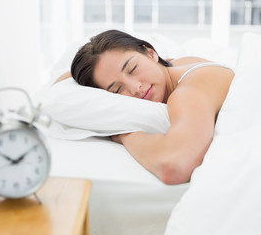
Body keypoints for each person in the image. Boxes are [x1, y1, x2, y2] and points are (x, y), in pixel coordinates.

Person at [55, 29, 235, 185]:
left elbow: (174, 166)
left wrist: (124, 135)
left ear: (151, 53)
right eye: (117, 89)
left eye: (133, 68)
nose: (135, 88)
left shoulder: (187, 93)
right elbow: (58, 87)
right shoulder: (176, 63)